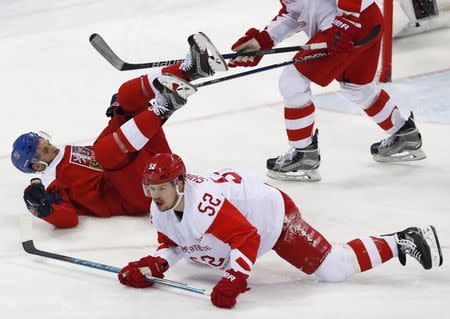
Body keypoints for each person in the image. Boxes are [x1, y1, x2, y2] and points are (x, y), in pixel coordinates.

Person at [117, 153, 443, 309]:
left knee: (334, 270)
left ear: (178, 183)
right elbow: (172, 243)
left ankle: (403, 240)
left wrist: (234, 279)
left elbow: (248, 238)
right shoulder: (161, 205)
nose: (153, 196)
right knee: (197, 255)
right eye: (149, 189)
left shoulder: (205, 204)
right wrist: (154, 266)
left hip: (271, 219)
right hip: (238, 218)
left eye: (159, 188)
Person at [11, 33, 227, 228]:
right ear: (37, 164)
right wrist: (45, 211)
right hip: (148, 190)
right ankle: (163, 107)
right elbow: (68, 218)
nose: (46, 143)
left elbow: (109, 143)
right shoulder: (52, 184)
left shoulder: (66, 153)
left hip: (154, 164)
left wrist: (119, 115)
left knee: (125, 97)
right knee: (105, 152)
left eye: (42, 139)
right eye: (41, 147)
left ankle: (191, 70)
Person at [227, 0, 426, 181]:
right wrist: (262, 41)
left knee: (293, 80)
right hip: (365, 21)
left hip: (349, 23)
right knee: (356, 87)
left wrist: (346, 21)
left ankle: (304, 153)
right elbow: (293, 11)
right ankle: (404, 133)